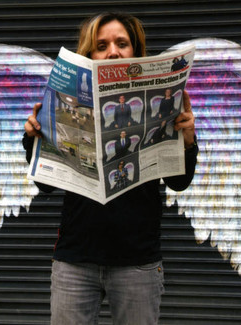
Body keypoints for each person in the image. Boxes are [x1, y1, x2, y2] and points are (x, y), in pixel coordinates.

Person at [23, 12, 197, 325]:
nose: (112, 51)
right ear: (88, 54)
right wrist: (34, 139)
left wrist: (187, 141)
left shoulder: (161, 106)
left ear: (136, 52)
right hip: (75, 261)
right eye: (101, 45)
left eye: (122, 43)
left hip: (137, 263)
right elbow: (47, 186)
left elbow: (178, 182)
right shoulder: (70, 101)